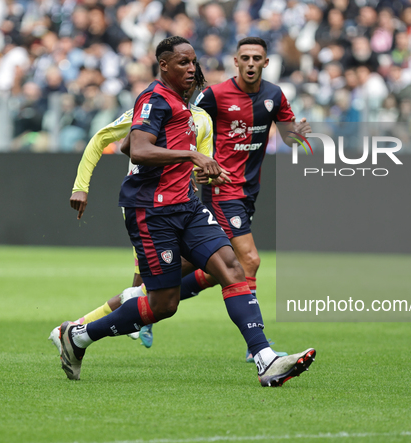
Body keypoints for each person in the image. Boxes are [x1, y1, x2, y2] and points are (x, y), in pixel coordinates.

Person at [58, 36, 316, 387]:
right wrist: (193, 156)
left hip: (188, 207)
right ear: (164, 65)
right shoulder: (153, 99)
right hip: (151, 211)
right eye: (182, 62)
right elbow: (136, 149)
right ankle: (78, 337)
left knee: (233, 267)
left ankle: (264, 359)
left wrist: (206, 168)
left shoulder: (191, 111)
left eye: (193, 61)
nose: (192, 68)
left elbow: (195, 158)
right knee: (164, 303)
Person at [49, 62, 215, 350]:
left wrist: (208, 175)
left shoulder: (202, 121)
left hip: (182, 207)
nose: (189, 80)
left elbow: (203, 166)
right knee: (147, 288)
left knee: (170, 280)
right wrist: (80, 186)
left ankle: (81, 329)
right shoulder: (151, 107)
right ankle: (78, 329)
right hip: (147, 205)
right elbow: (102, 138)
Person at [179, 37, 310, 362]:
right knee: (249, 259)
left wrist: (298, 135)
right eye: (245, 58)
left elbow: (289, 139)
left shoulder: (274, 96)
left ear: (266, 63)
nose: (251, 63)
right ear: (235, 61)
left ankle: (148, 298)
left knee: (212, 270)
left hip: (248, 190)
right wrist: (196, 164)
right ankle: (258, 347)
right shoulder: (215, 95)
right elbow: (187, 132)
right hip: (221, 187)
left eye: (257, 58)